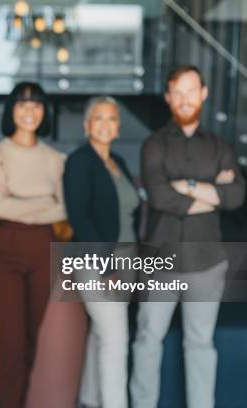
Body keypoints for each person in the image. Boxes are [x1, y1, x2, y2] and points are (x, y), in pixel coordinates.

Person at [130, 65, 245, 408]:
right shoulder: (153, 144)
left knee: (200, 343)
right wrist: (211, 195)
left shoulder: (221, 146)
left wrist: (188, 187)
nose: (184, 99)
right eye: (177, 92)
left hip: (207, 263)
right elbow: (159, 195)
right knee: (148, 340)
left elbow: (237, 196)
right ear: (167, 97)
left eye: (190, 91)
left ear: (204, 93)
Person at [0, 82, 66, 408]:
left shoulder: (56, 158)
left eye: (36, 104)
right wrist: (44, 202)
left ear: (44, 111)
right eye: (22, 104)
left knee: (35, 342)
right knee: (10, 346)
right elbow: (0, 207)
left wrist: (23, 201)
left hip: (45, 250)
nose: (29, 111)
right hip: (4, 251)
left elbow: (65, 209)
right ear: (11, 110)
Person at [63, 96, 141, 408]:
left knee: (102, 334)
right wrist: (107, 266)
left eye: (111, 119)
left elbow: (129, 215)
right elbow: (79, 217)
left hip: (125, 259)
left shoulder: (118, 163)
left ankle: (89, 400)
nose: (105, 124)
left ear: (118, 128)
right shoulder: (80, 162)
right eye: (98, 118)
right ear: (86, 125)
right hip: (97, 262)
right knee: (115, 340)